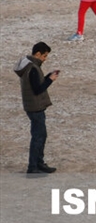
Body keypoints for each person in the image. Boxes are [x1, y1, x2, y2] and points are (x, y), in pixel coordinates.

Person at [15, 42, 60, 174]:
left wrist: (46, 77)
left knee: (40, 135)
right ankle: (34, 166)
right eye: (44, 56)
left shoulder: (28, 65)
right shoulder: (33, 68)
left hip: (31, 106)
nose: (45, 59)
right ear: (38, 54)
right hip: (36, 107)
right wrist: (50, 80)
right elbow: (38, 89)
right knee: (38, 137)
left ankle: (38, 163)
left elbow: (35, 84)